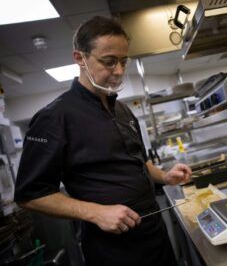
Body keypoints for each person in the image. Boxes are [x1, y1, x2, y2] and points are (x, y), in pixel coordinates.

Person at [14, 16, 192, 266]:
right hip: (113, 250)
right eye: (108, 62)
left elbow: (137, 161)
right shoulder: (54, 117)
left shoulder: (123, 110)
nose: (119, 71)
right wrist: (96, 212)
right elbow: (29, 194)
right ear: (80, 58)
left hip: (154, 235)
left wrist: (164, 176)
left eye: (123, 61)